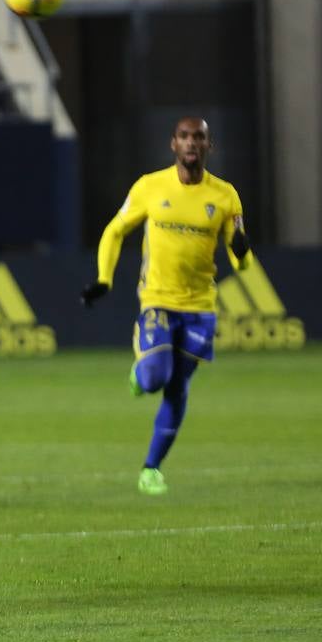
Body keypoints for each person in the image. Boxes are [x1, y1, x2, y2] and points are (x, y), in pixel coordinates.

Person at [81, 117, 251, 496]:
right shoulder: (149, 186)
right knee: (156, 376)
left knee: (177, 387)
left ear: (210, 146)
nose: (192, 143)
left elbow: (241, 259)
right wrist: (104, 279)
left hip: (201, 306)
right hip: (158, 299)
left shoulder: (225, 196)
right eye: (185, 136)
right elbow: (114, 230)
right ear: (173, 144)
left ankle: (151, 469)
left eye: (200, 137)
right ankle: (140, 375)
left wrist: (242, 252)